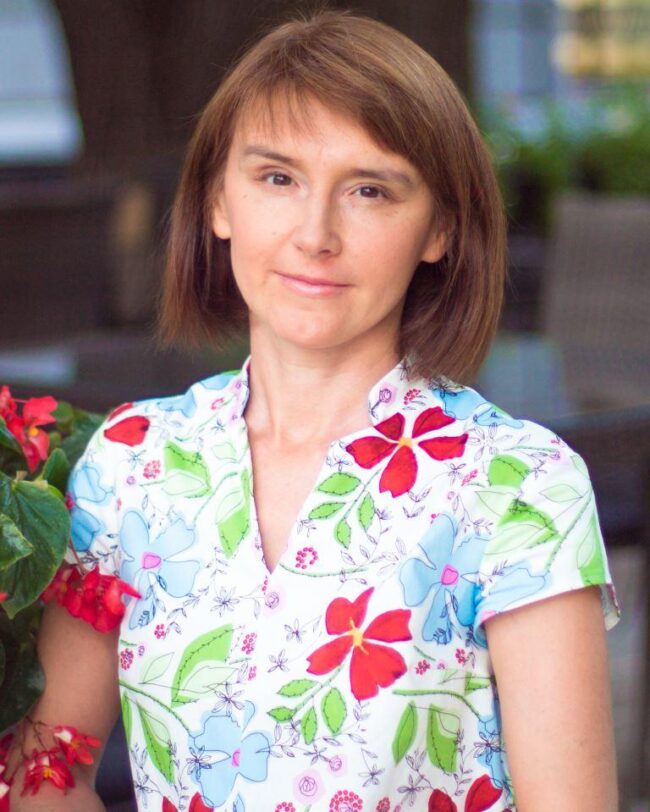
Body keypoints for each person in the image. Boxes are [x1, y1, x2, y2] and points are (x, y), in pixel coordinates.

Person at [8, 8, 621, 811]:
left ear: (439, 228)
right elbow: (47, 775)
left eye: (369, 190)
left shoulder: (520, 488)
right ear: (218, 202)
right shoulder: (132, 462)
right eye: (277, 179)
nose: (315, 234)